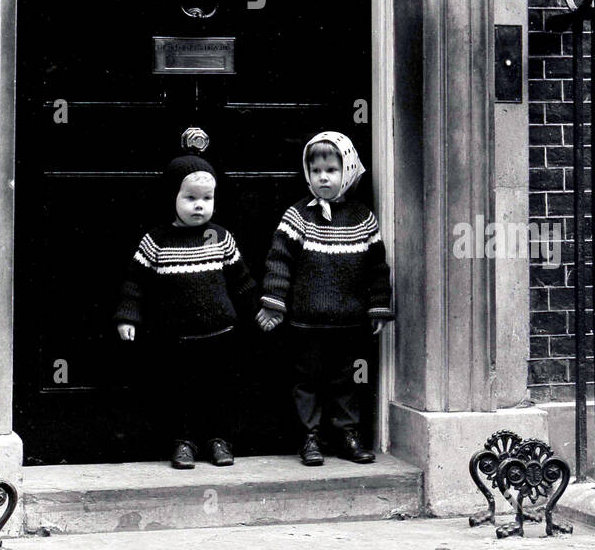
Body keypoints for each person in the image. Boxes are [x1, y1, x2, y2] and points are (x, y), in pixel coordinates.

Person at [116, 142, 256, 469]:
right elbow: (134, 283)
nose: (199, 206)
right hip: (176, 338)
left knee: (219, 390)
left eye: (206, 199)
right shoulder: (157, 240)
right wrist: (128, 317)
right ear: (172, 198)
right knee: (180, 392)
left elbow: (242, 280)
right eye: (190, 198)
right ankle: (184, 442)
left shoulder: (221, 237)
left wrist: (259, 311)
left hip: (220, 333)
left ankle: (219, 440)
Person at [257, 131, 393, 465]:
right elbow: (279, 262)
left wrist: (378, 306)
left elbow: (377, 266)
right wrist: (273, 303)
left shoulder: (363, 218)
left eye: (331, 170)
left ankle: (347, 435)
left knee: (345, 382)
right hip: (306, 322)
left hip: (347, 321)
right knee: (307, 382)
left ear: (347, 171)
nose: (323, 177)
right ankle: (310, 438)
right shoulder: (298, 216)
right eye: (316, 170)